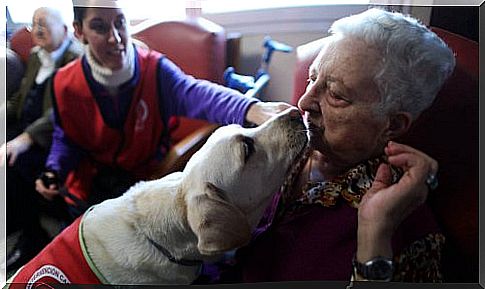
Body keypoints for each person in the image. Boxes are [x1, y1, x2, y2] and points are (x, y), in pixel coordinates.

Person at [196, 8, 456, 283]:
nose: (304, 102)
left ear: (392, 125)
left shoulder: (402, 218)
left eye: (335, 94)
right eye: (311, 78)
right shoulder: (287, 142)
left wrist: (373, 236)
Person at [35, 0, 289, 222]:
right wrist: (54, 168)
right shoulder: (64, 83)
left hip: (145, 184)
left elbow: (199, 93)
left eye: (120, 23)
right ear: (80, 32)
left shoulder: (154, 69)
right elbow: (66, 137)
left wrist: (251, 108)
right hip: (89, 188)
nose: (115, 37)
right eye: (100, 27)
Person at [2, 6, 83, 272]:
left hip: (52, 134)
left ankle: (32, 236)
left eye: (45, 24)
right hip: (25, 124)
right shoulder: (37, 56)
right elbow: (20, 99)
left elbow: (61, 113)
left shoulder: (76, 58)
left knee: (14, 161)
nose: (38, 30)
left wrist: (25, 138)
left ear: (65, 29)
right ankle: (10, 220)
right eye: (35, 24)